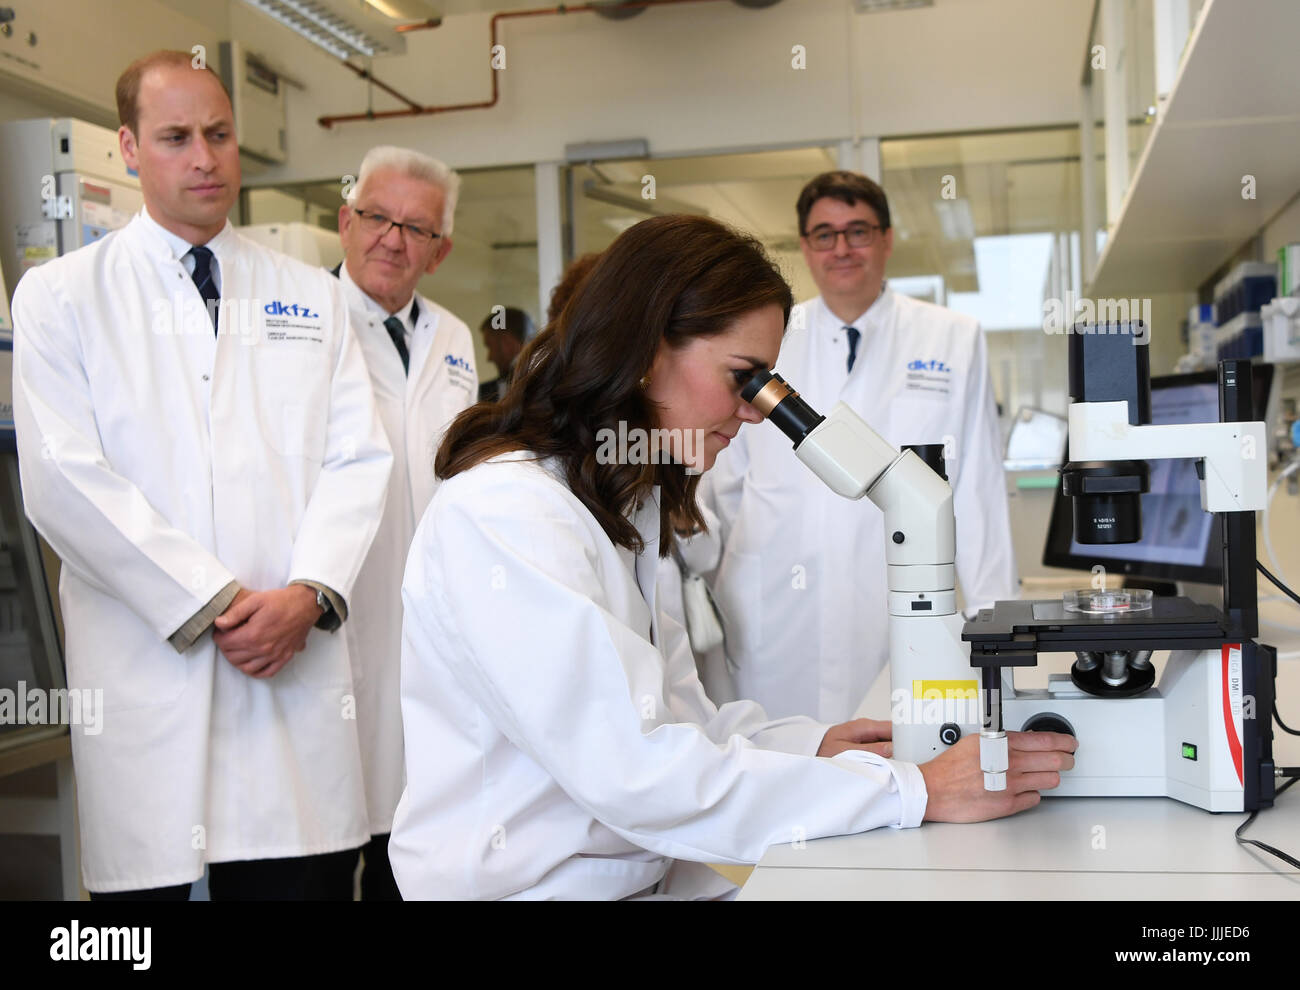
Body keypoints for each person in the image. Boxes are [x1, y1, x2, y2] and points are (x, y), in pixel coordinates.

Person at [387, 214, 1074, 900]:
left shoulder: (626, 508)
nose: (754, 413)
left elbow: (684, 722)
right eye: (743, 378)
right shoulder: (508, 514)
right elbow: (638, 774)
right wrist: (911, 789)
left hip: (641, 878)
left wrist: (817, 746)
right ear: (648, 350)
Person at [11, 50, 392, 899]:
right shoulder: (62, 297)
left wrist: (310, 594)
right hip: (155, 669)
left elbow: (358, 458)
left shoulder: (312, 296)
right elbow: (62, 477)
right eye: (176, 136)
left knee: (302, 879)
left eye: (219, 134)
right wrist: (214, 602)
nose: (204, 156)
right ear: (129, 148)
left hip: (291, 669)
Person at [698, 171, 1018, 721]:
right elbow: (724, 482)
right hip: (774, 601)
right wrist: (703, 582)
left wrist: (1003, 637)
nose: (841, 248)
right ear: (804, 246)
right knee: (778, 760)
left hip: (896, 595)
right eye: (824, 234)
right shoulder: (767, 336)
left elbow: (977, 490)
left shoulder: (950, 337)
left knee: (897, 759)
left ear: (887, 239)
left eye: (858, 231)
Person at [331, 145, 478, 900]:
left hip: (429, 614)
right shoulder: (303, 320)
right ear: (344, 221)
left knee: (412, 835)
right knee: (325, 835)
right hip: (331, 611)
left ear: (440, 249)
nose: (391, 239)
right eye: (376, 218)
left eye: (415, 229)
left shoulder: (454, 338)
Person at [477, 307, 532, 402]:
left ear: (507, 343)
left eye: (490, 346)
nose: (489, 358)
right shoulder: (547, 377)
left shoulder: (535, 382)